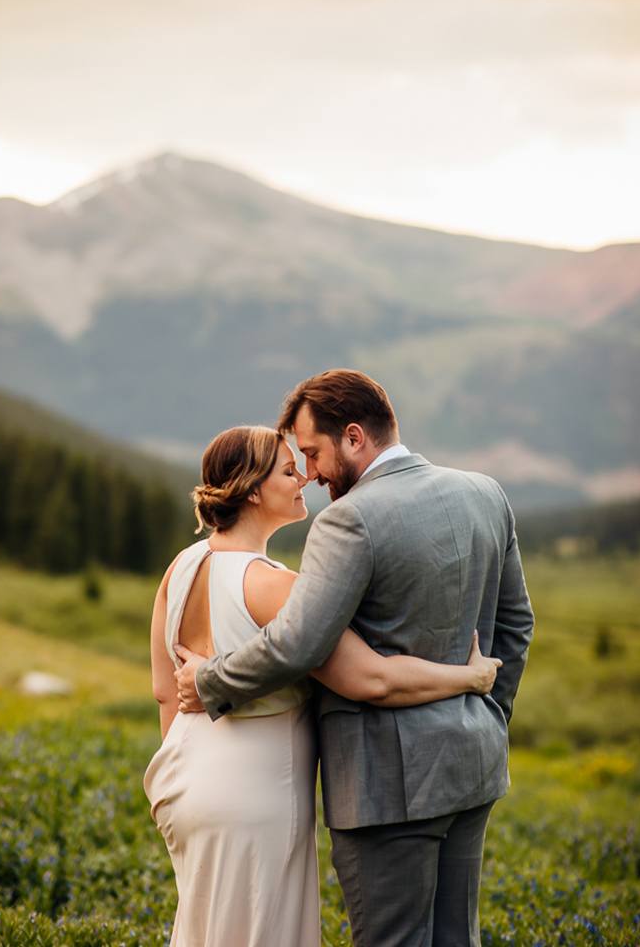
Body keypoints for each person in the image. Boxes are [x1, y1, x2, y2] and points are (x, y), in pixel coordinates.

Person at [175, 369, 534, 947]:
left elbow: (299, 643)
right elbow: (517, 625)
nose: (310, 475)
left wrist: (210, 679)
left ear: (353, 436)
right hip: (474, 765)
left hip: (384, 786)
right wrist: (489, 717)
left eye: (313, 454)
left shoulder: (348, 519)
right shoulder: (485, 492)